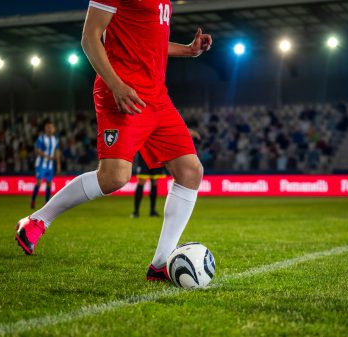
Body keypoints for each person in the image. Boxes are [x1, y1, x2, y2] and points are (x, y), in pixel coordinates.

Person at [15, 0, 212, 284]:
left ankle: (159, 265)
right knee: (114, 177)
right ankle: (37, 220)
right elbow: (89, 37)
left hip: (156, 97)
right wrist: (115, 84)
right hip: (123, 91)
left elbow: (150, 43)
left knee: (191, 171)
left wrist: (188, 50)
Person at [132, 129, 200, 218]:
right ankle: (136, 212)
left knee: (154, 182)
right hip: (145, 154)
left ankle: (152, 211)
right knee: (142, 181)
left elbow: (172, 130)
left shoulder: (160, 122)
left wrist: (190, 132)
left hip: (157, 155)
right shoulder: (146, 122)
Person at [31, 120, 61, 209]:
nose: (50, 129)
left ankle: (46, 203)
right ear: (45, 129)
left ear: (54, 129)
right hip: (41, 164)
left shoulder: (55, 139)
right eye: (48, 127)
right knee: (39, 182)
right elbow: (36, 150)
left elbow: (57, 151)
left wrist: (58, 164)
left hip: (50, 165)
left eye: (51, 127)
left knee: (49, 183)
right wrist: (46, 156)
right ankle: (33, 200)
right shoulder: (41, 138)